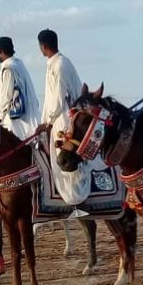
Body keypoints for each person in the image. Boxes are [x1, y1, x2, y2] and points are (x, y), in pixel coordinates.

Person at [36, 28, 93, 200]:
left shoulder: (60, 65)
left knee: (65, 160)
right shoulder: (56, 63)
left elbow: (59, 98)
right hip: (60, 116)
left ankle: (76, 197)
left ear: (43, 46)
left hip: (63, 118)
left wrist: (48, 122)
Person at [0, 36, 41, 140]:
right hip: (29, 119)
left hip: (14, 123)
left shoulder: (8, 68)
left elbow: (6, 97)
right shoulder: (19, 64)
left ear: (0, 51)